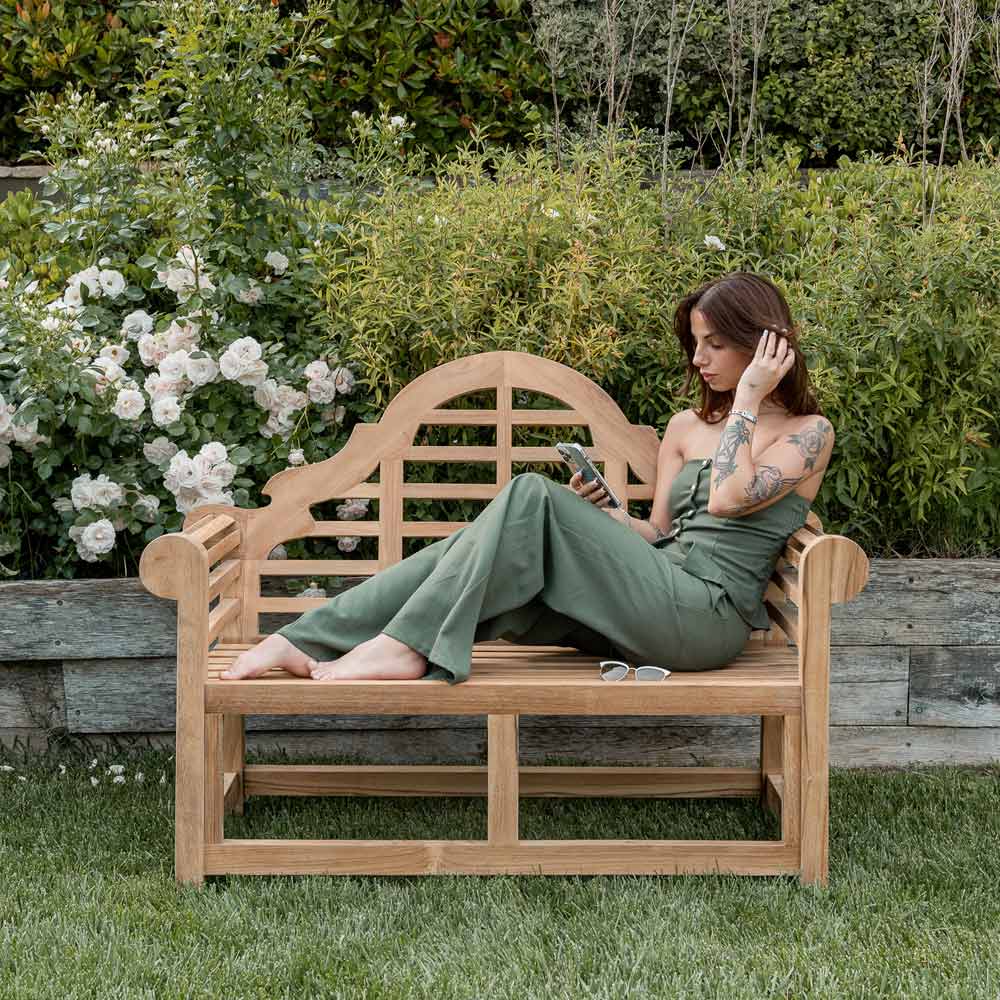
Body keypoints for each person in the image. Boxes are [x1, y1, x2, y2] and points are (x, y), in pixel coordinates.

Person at [222, 271, 835, 684]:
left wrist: (749, 397)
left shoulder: (807, 434)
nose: (698, 359)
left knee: (530, 494)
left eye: (715, 345)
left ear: (764, 346)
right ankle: (305, 640)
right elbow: (659, 535)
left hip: (706, 621)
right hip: (652, 597)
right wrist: (603, 518)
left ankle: (407, 647)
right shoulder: (685, 426)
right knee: (487, 549)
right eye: (695, 343)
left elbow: (728, 499)